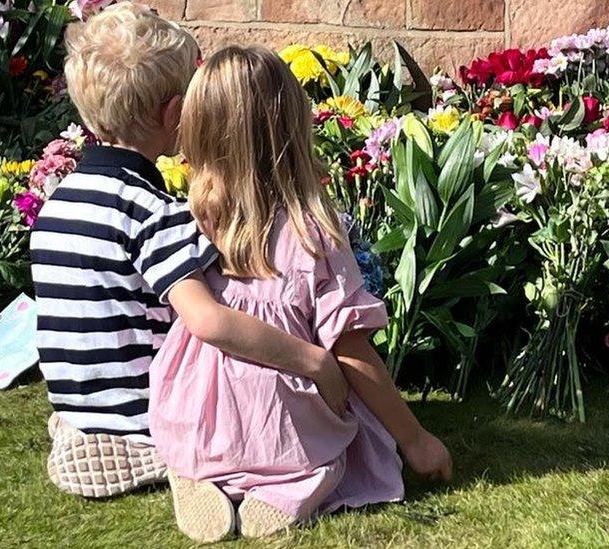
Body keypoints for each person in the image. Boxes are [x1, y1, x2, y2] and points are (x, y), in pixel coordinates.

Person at [31, 3, 349, 499]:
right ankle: (188, 466)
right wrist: (313, 362)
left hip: (76, 407)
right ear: (176, 114)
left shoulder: (58, 203)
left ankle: (89, 442)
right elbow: (209, 322)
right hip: (144, 413)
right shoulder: (151, 211)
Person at [149, 45, 453, 543]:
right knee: (331, 455)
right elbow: (349, 349)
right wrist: (416, 440)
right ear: (290, 127)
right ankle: (289, 490)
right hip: (278, 415)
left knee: (203, 440)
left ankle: (196, 473)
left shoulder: (192, 218)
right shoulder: (311, 232)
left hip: (197, 410)